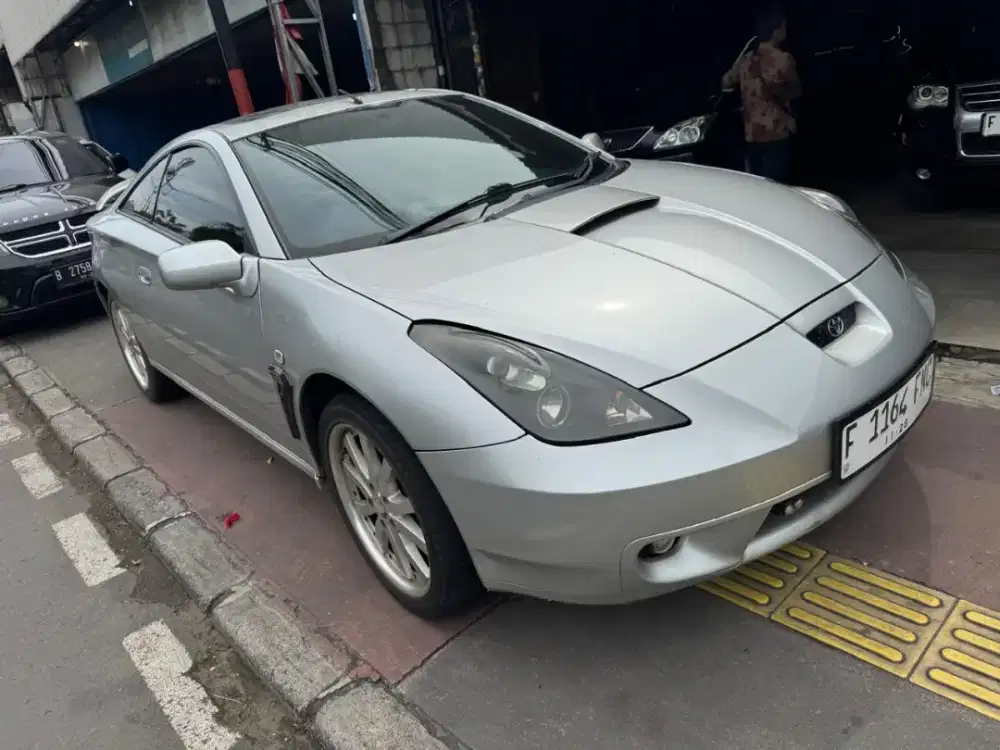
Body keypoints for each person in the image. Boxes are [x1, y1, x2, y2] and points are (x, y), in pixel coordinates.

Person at [721, 10, 801, 182]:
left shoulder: (747, 60)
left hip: (752, 133)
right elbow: (795, 92)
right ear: (776, 30)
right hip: (777, 130)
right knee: (779, 183)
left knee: (759, 183)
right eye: (783, 27)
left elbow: (726, 82)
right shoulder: (784, 59)